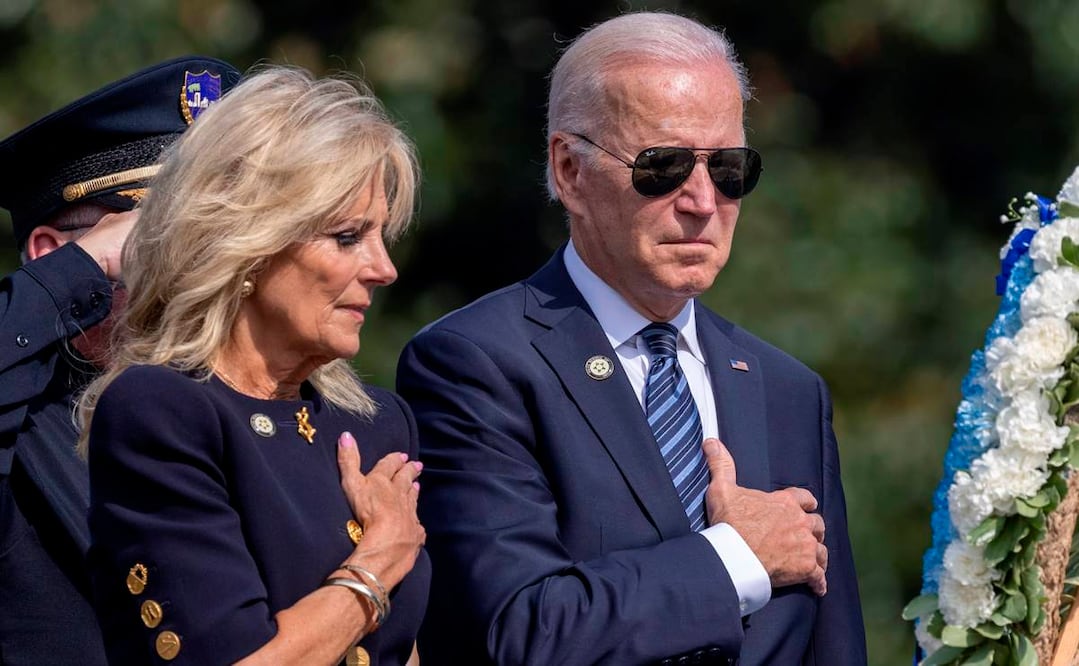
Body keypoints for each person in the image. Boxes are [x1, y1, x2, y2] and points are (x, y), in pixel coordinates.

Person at [397, 11, 866, 665]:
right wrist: (734, 559)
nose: (702, 200)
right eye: (664, 166)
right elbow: (519, 630)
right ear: (570, 170)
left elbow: (831, 646)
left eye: (728, 168)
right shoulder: (475, 364)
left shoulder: (788, 391)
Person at [76, 66, 429, 665]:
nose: (383, 268)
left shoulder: (376, 422)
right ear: (249, 243)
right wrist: (377, 565)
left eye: (381, 236)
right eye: (348, 236)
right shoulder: (161, 412)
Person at [0, 55, 239, 664]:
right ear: (53, 254)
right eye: (163, 243)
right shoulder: (24, 420)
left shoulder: (257, 408)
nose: (202, 274)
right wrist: (79, 272)